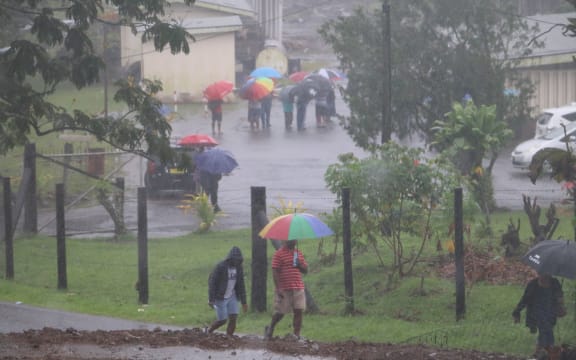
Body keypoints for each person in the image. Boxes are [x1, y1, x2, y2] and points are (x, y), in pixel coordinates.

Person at [512, 273, 565, 358]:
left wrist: (560, 304)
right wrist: (517, 312)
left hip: (550, 313)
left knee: (547, 331)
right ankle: (543, 352)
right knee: (545, 331)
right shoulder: (533, 284)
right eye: (541, 273)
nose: (543, 276)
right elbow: (525, 299)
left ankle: (542, 352)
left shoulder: (555, 283)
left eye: (546, 274)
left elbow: (559, 296)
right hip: (536, 313)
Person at [264, 240, 308, 340]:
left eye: (295, 239)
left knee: (299, 311)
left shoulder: (298, 253)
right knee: (281, 312)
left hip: (298, 287)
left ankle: (296, 335)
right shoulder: (279, 254)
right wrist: (278, 288)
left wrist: (299, 265)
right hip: (284, 288)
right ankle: (270, 327)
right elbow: (275, 271)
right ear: (285, 240)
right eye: (292, 240)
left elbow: (305, 270)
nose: (294, 241)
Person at [207, 246, 248, 336]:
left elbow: (241, 285)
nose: (236, 262)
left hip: (232, 295)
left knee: (233, 317)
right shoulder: (221, 266)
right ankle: (209, 331)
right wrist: (211, 299)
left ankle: (229, 337)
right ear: (230, 258)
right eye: (235, 260)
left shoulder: (239, 268)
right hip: (220, 296)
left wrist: (244, 302)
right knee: (222, 320)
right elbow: (212, 283)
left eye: (238, 260)